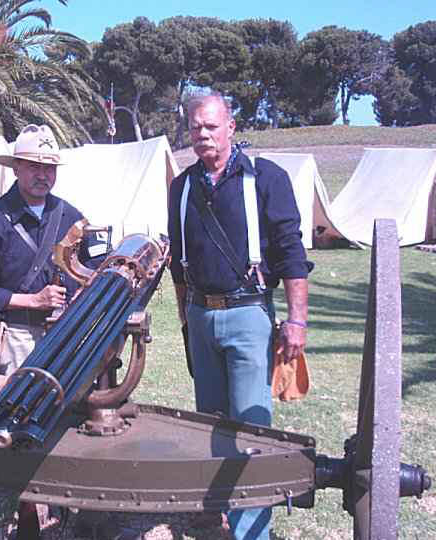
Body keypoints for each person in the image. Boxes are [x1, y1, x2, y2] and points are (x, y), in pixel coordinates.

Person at [167, 93, 313, 540]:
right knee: (206, 422)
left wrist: (297, 321)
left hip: (249, 314)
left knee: (251, 429)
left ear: (231, 126)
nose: (203, 134)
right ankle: (212, 515)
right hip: (200, 315)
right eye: (195, 127)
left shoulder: (266, 178)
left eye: (211, 126)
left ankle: (252, 533)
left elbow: (291, 252)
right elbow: (178, 264)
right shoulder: (183, 186)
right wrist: (186, 320)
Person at [0, 124, 106, 540]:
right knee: (14, 427)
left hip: (66, 338)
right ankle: (27, 513)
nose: (43, 175)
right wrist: (31, 301)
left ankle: (67, 501)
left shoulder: (72, 217)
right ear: (17, 169)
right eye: (34, 167)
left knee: (66, 420)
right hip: (14, 335)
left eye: (49, 168)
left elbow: (97, 271)